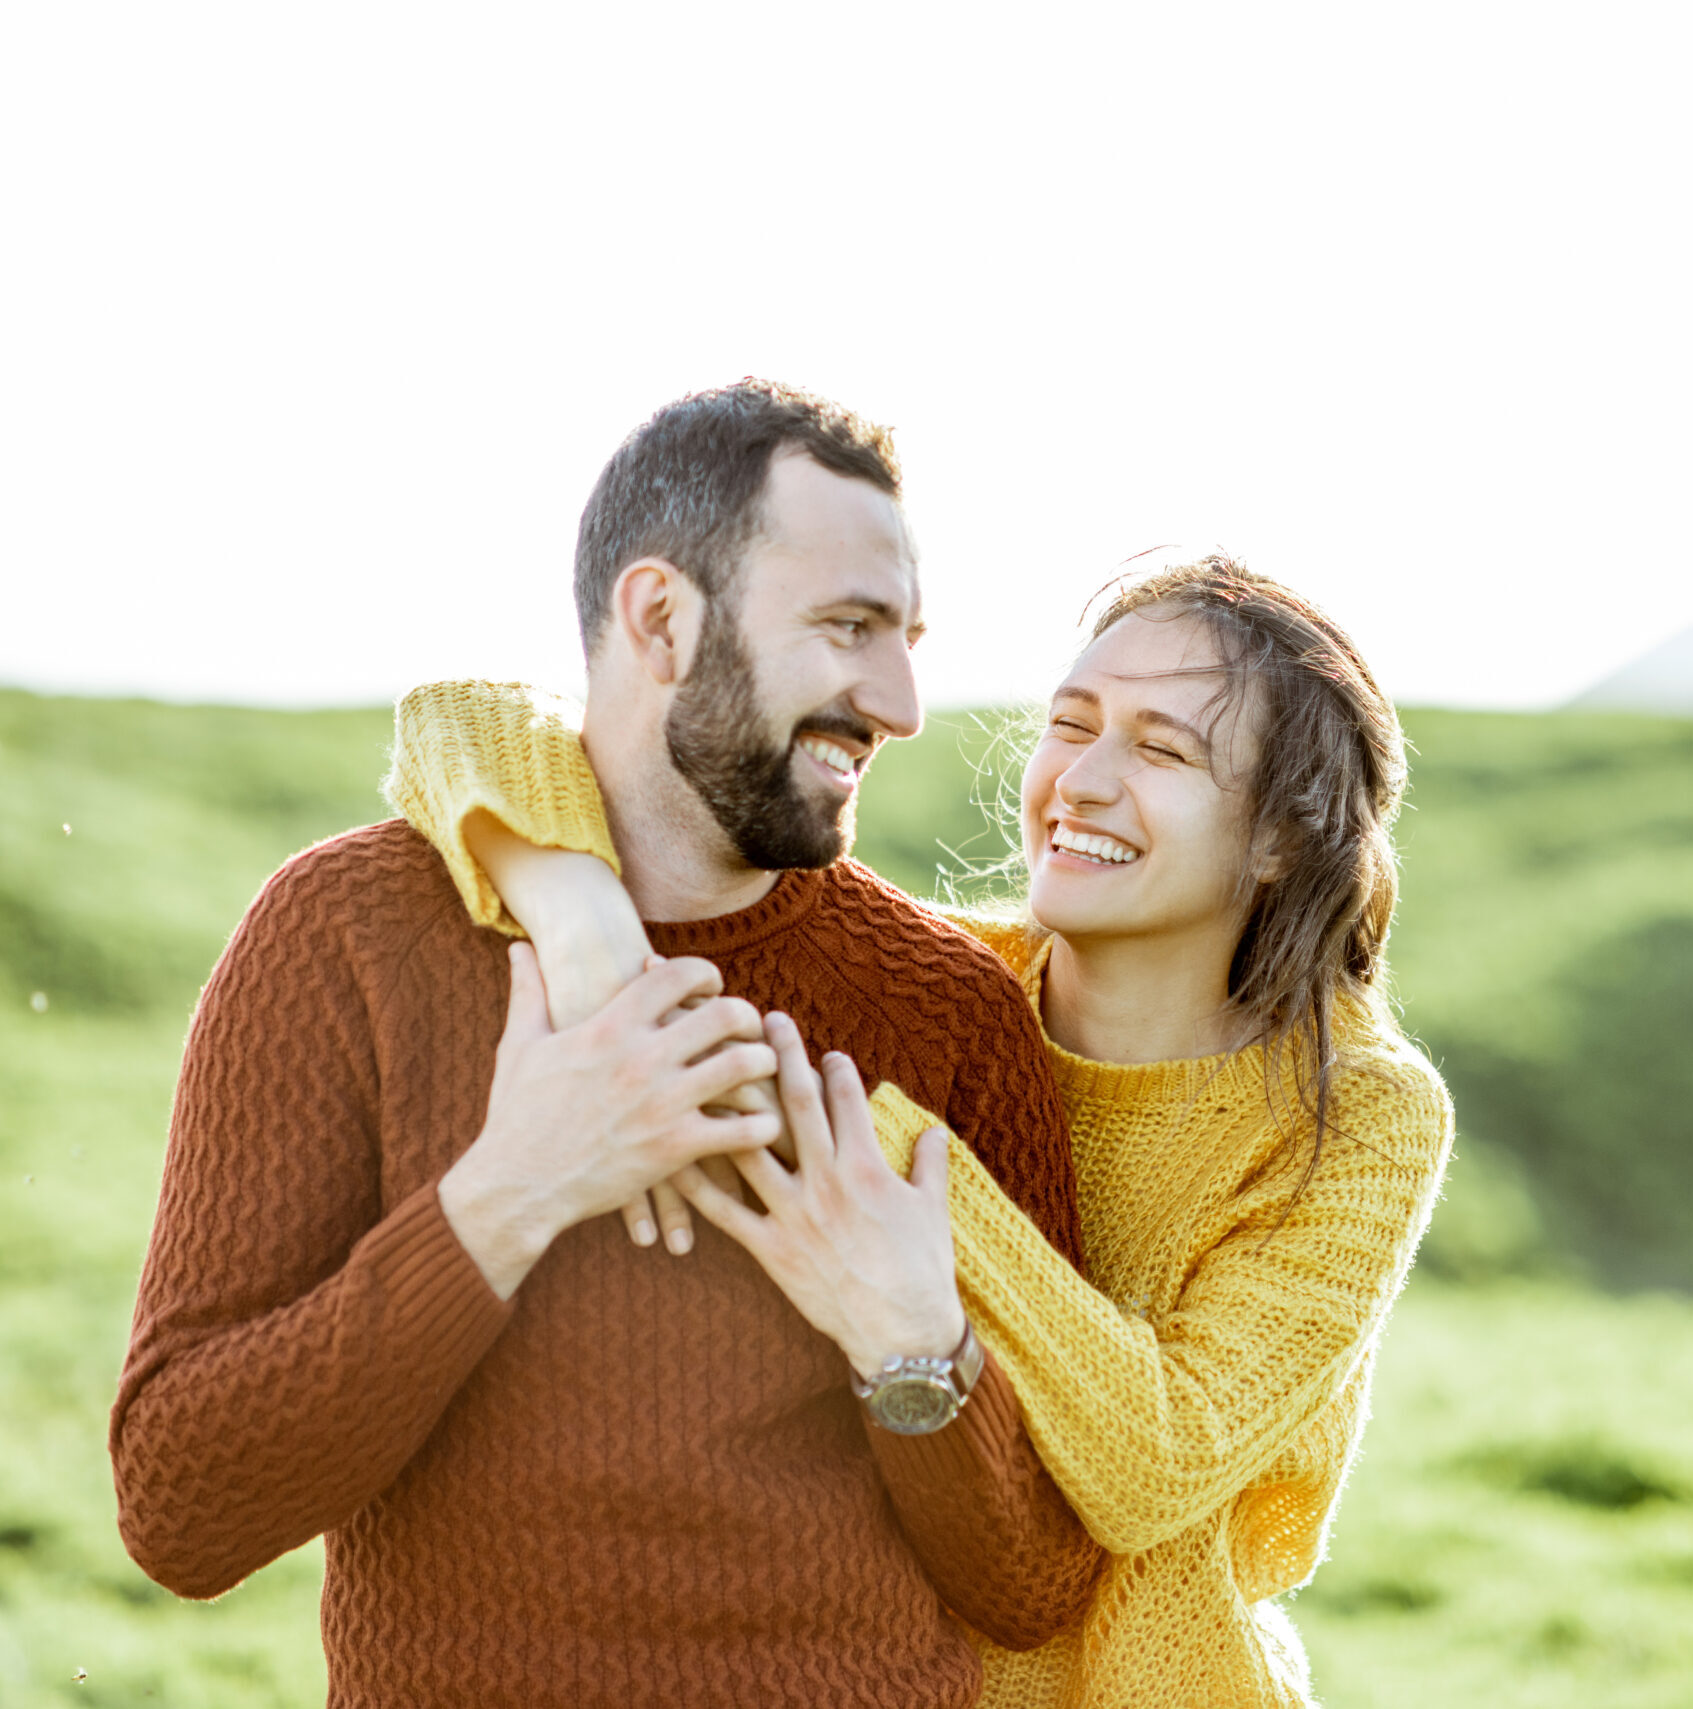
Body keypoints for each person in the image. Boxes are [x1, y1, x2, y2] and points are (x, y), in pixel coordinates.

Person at [109, 380, 1106, 1709]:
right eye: (850, 627)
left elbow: (1039, 1582)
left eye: (909, 637)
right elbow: (182, 1508)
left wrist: (909, 1344)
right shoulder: (344, 934)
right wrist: (511, 1192)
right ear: (661, 620)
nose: (903, 701)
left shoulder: (949, 1009)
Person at [384, 556, 1453, 1708]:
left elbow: (1158, 1460)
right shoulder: (932, 995)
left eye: (1161, 748)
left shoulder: (1357, 1108)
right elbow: (458, 717)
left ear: (1283, 838)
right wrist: (579, 908)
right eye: (1071, 722)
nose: (1081, 780)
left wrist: (881, 1167)